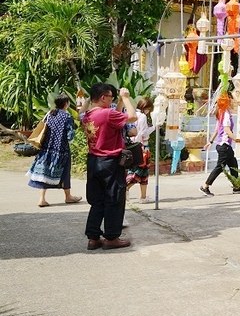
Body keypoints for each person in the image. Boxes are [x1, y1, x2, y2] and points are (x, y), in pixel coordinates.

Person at [80, 83, 136, 250]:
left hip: (94, 161)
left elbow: (114, 118)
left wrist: (118, 102)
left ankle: (93, 237)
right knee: (114, 199)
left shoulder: (87, 115)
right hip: (110, 161)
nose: (112, 101)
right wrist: (125, 98)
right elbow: (132, 117)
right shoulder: (107, 114)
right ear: (103, 97)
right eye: (111, 98)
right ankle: (112, 237)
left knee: (97, 201)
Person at [26, 94, 81, 207]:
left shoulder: (50, 114)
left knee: (44, 172)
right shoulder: (67, 117)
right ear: (66, 104)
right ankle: (68, 196)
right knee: (65, 172)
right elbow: (70, 136)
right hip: (61, 150)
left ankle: (41, 199)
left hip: (46, 148)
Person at [200, 93, 240, 196]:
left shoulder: (221, 112)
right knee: (220, 167)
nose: (233, 101)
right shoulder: (225, 113)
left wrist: (210, 142)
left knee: (233, 164)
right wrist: (238, 139)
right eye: (231, 99)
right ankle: (205, 186)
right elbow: (227, 130)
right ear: (228, 101)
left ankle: (236, 186)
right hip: (224, 146)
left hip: (224, 146)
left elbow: (217, 129)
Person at [125, 97, 154, 202]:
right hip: (141, 146)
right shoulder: (142, 116)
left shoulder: (132, 114)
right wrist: (154, 127)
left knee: (143, 172)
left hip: (134, 145)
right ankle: (125, 187)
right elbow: (142, 133)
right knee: (139, 171)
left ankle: (143, 196)